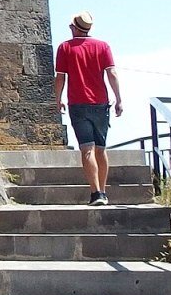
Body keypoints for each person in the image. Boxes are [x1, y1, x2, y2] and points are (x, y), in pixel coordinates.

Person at [53, 11, 123, 206]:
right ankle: (104, 191)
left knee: (87, 149)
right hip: (101, 104)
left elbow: (60, 77)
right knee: (101, 149)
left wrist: (57, 99)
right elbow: (112, 74)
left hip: (78, 104)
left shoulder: (65, 48)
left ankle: (96, 194)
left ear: (74, 28)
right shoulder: (103, 46)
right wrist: (119, 99)